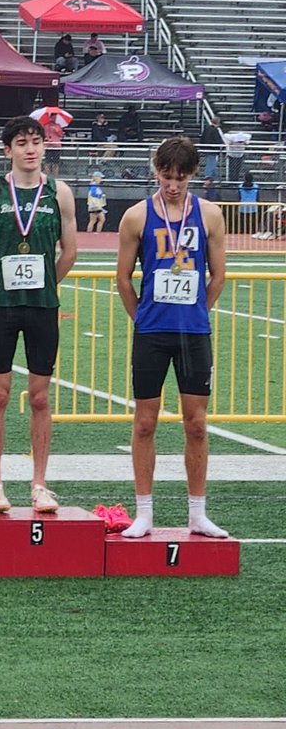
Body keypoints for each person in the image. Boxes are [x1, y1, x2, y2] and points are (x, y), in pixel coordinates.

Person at [115, 136, 228, 539]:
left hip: (194, 332)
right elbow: (123, 278)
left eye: (180, 177)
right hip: (152, 333)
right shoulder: (136, 217)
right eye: (166, 176)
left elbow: (218, 276)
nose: (173, 184)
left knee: (196, 423)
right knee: (145, 422)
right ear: (155, 171)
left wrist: (198, 312)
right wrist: (142, 318)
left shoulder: (211, 215)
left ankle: (197, 513)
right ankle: (144, 512)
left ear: (193, 174)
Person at [0, 116, 78, 513]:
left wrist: (48, 283)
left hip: (43, 307)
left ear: (45, 147)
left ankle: (40, 483)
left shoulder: (59, 193)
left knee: (41, 397)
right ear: (7, 150)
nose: (30, 149)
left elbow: (70, 250)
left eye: (36, 142)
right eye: (22, 143)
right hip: (2, 307)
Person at [237, 172, 259, 236]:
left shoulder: (240, 186)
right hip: (253, 207)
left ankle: (242, 234)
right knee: (253, 224)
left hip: (243, 207)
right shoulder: (256, 186)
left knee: (243, 224)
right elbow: (257, 198)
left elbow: (239, 197)